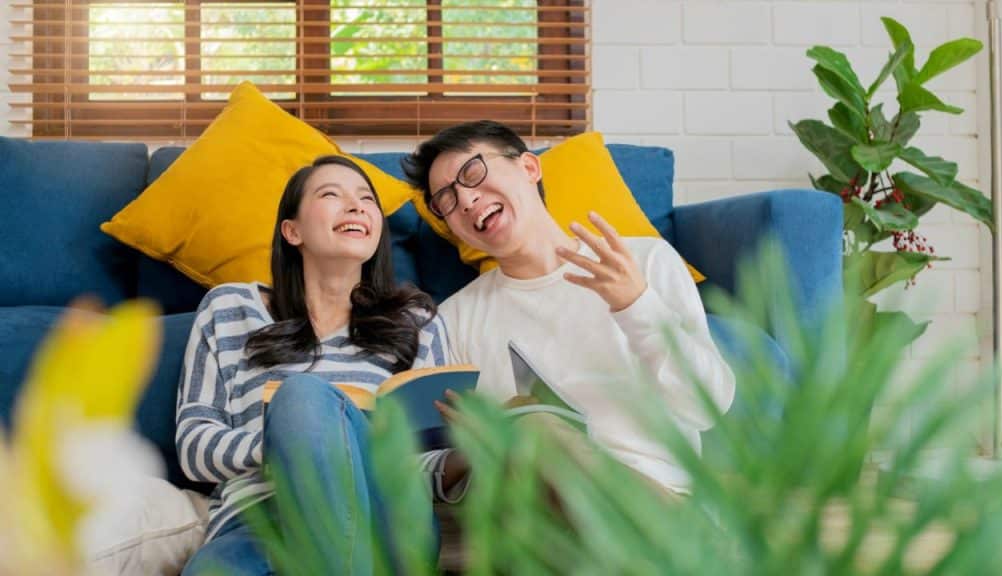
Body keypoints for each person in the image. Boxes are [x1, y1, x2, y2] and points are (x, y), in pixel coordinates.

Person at [401, 120, 736, 499]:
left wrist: (637, 306)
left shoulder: (642, 262)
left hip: (661, 507)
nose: (464, 200)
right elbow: (410, 466)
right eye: (445, 199)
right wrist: (475, 448)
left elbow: (707, 408)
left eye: (472, 171)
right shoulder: (454, 319)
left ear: (529, 168)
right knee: (532, 432)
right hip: (540, 522)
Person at [177, 156, 466, 575]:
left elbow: (421, 470)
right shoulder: (229, 308)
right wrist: (295, 443)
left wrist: (464, 455)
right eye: (332, 194)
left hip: (384, 519)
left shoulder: (417, 323)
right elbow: (193, 446)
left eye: (367, 200)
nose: (356, 206)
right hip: (258, 523)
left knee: (301, 394)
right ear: (291, 231)